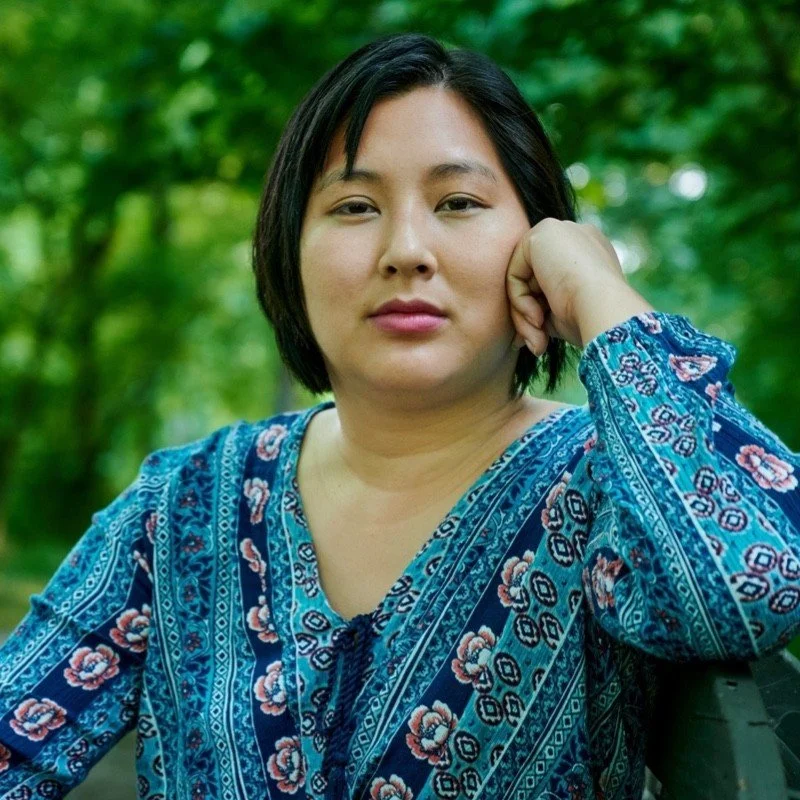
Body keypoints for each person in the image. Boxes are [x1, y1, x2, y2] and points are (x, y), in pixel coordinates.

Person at [1, 31, 798, 800]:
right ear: (288, 249)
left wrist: (597, 294)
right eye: (353, 206)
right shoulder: (180, 509)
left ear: (535, 241)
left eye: (458, 202)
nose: (406, 249)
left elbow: (748, 584)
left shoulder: (607, 489)